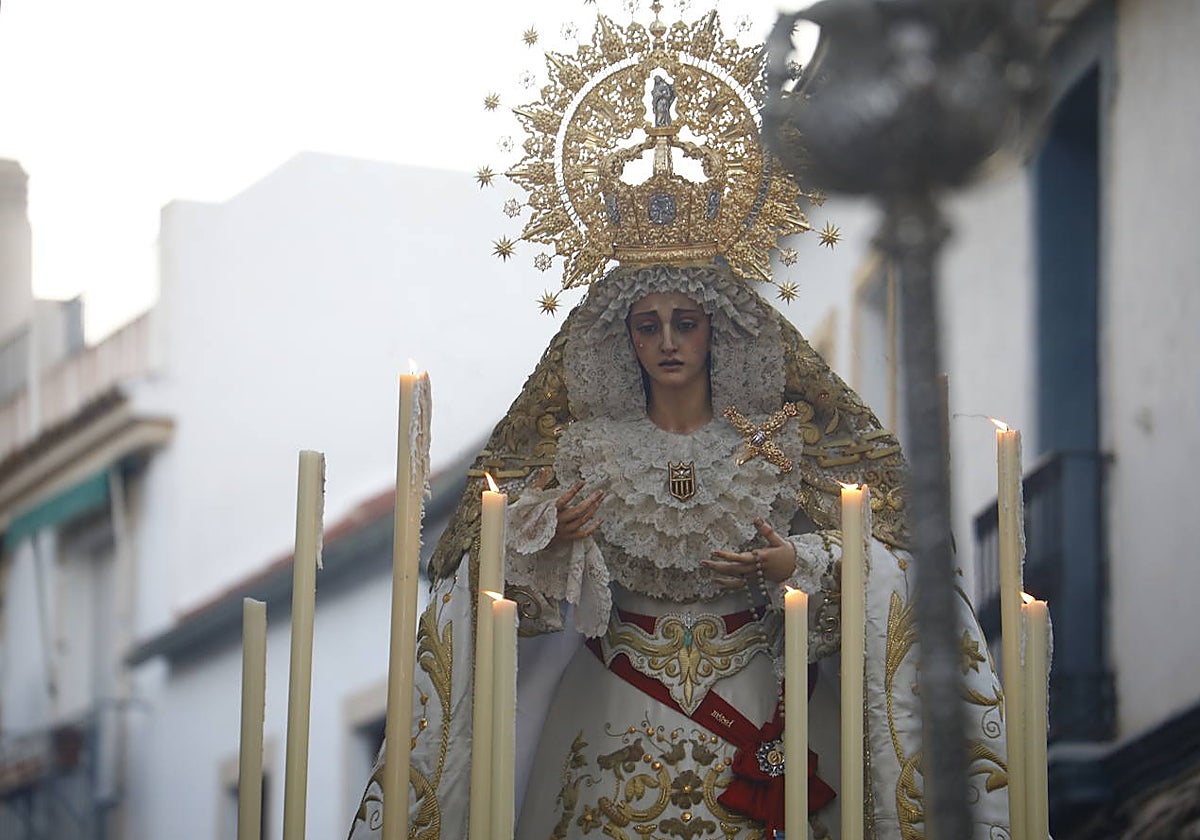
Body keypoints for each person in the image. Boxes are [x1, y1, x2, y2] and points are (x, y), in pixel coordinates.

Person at [346, 10, 1011, 840]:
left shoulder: (775, 447)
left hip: (768, 716)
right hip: (610, 718)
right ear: (620, 337)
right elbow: (489, 595)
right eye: (647, 323)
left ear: (718, 329)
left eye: (685, 321)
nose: (667, 342)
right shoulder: (583, 452)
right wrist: (538, 545)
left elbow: (885, 556)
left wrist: (796, 560)